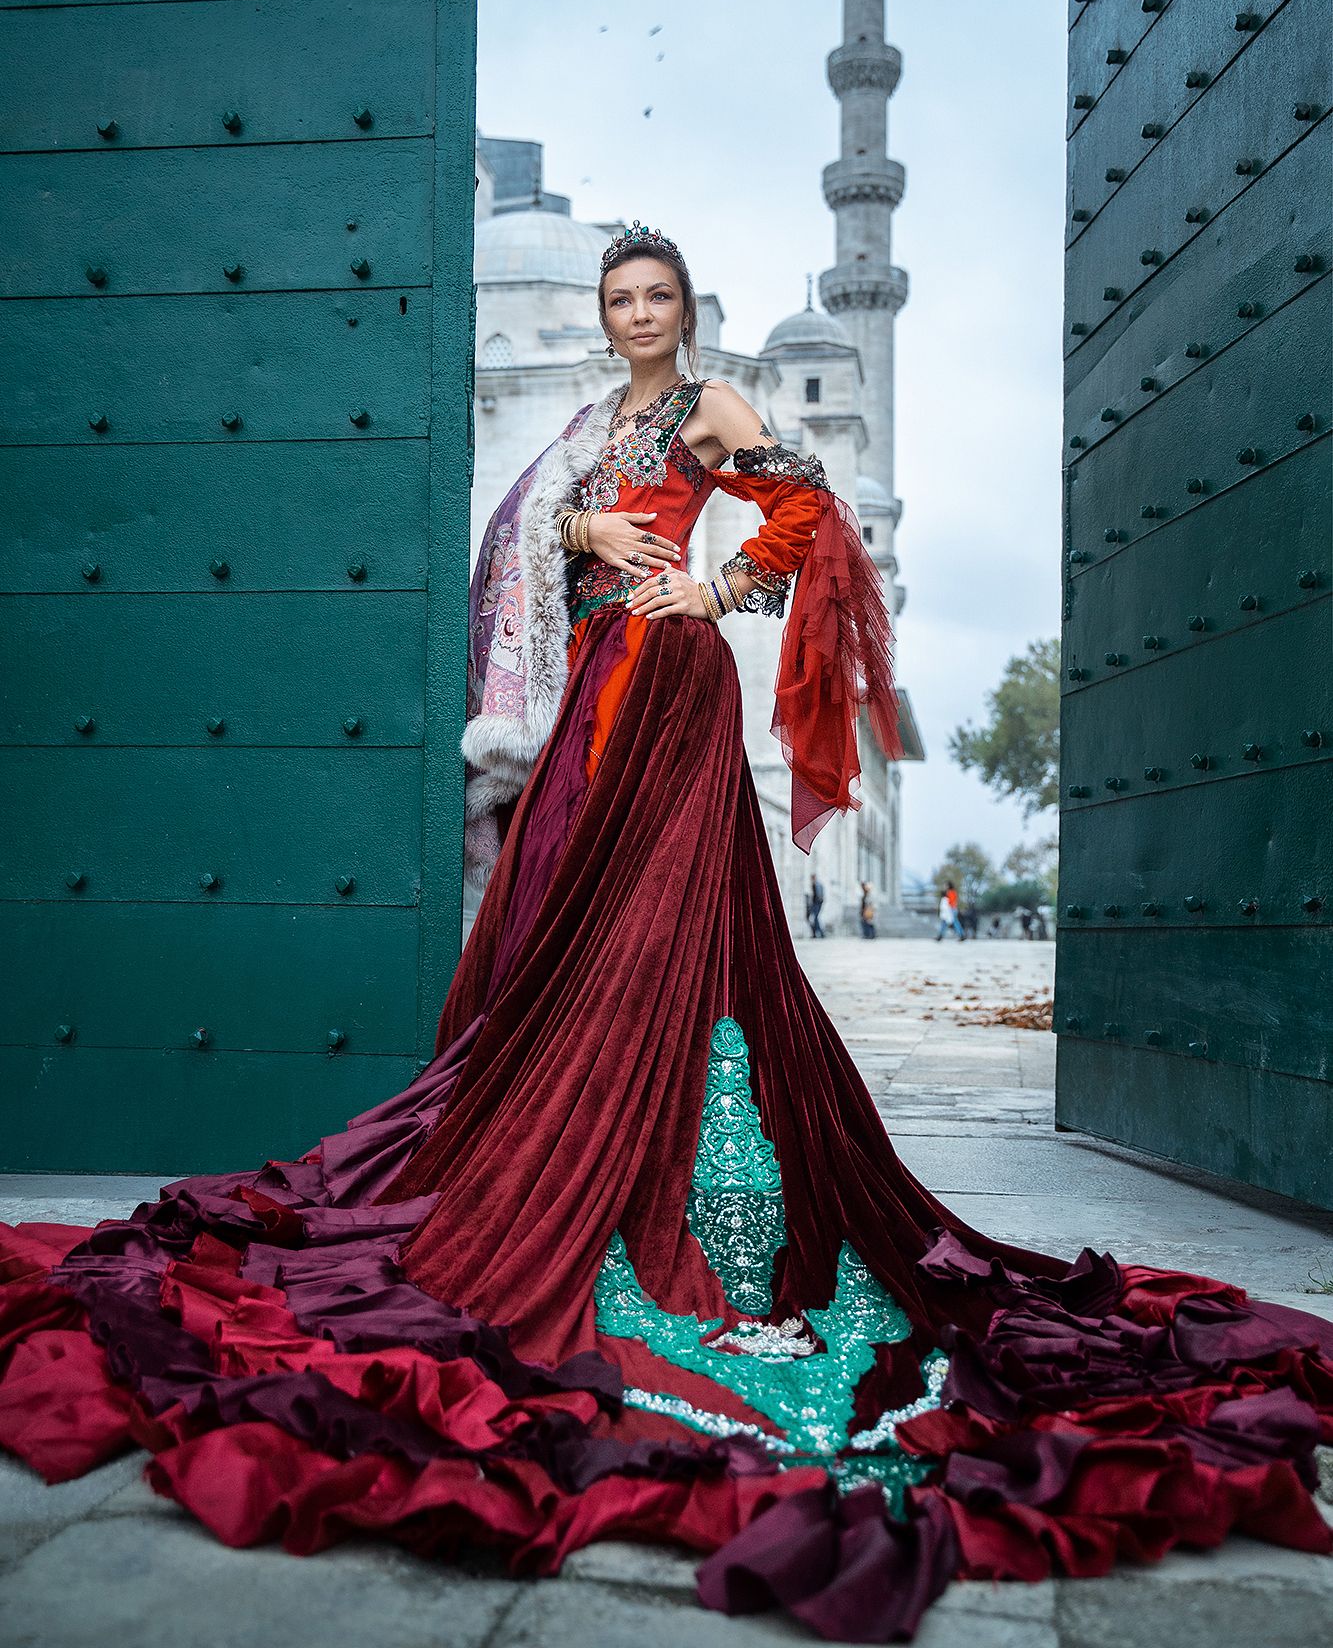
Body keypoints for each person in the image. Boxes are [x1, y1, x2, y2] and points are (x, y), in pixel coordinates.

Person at [1, 221, 1329, 1642]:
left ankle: (683, 1203)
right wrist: (580, 529)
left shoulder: (710, 403)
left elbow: (807, 507)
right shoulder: (594, 422)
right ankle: (567, 1137)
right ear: (603, 312)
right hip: (593, 681)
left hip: (673, 676)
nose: (638, 313)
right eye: (620, 297)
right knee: (560, 918)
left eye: (657, 296)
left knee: (662, 922)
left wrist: (719, 584)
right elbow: (533, 529)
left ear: (686, 308)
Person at [805, 871, 825, 939]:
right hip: (814, 904)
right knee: (812, 918)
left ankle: (820, 933)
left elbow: (819, 896)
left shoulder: (817, 885)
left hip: (817, 904)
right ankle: (817, 933)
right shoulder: (813, 885)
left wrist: (818, 903)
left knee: (815, 918)